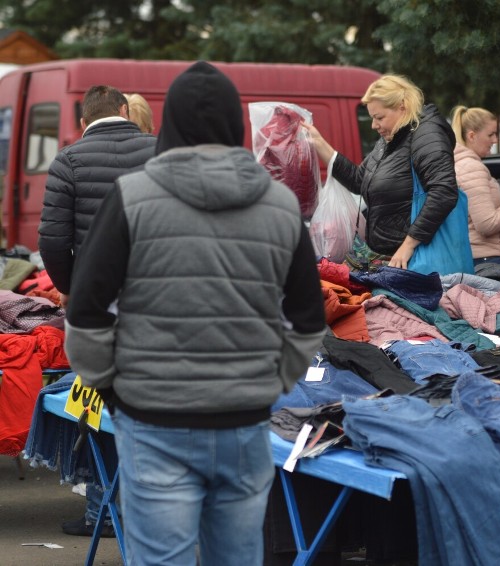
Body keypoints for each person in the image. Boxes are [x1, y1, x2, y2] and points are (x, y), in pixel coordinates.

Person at [63, 61, 327, 565]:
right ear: (234, 123)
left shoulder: (130, 198)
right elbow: (307, 319)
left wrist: (112, 387)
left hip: (153, 419)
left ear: (170, 124)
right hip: (245, 422)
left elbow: (87, 311)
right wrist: (270, 381)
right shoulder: (278, 205)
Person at [38, 85, 156, 538]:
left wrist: (73, 288)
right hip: (161, 306)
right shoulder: (163, 151)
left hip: (98, 311)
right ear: (126, 111)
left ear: (83, 123)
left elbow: (51, 239)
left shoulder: (68, 160)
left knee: (97, 403)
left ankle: (99, 513)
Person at [303, 74, 458, 270]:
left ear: (402, 106)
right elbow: (359, 181)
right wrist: (319, 143)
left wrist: (408, 246)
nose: (374, 125)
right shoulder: (390, 138)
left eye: (379, 117)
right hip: (389, 259)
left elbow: (444, 191)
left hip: (415, 261)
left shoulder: (427, 133)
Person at [451, 105, 500, 265]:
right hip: (485, 259)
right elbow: (486, 224)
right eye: (491, 134)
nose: (495, 140)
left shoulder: (463, 165)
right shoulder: (471, 168)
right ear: (471, 136)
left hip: (477, 256)